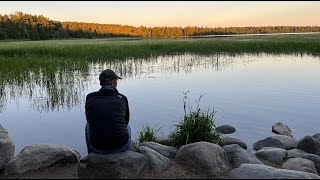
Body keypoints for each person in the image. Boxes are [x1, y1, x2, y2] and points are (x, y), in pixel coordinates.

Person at [85, 69, 131, 154]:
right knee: (127, 126)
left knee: (88, 125)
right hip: (120, 146)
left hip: (97, 147)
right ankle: (126, 153)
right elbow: (126, 121)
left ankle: (91, 156)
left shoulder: (90, 97)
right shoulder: (122, 98)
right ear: (112, 82)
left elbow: (89, 120)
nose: (117, 83)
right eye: (116, 80)